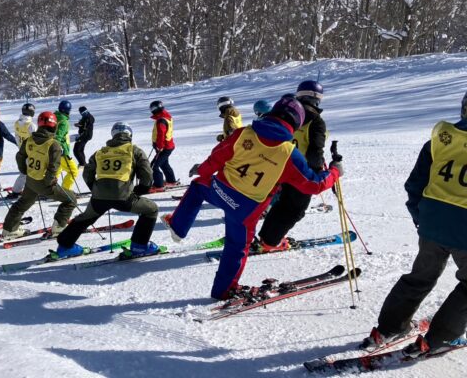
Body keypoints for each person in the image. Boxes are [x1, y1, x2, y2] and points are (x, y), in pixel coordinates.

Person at [162, 95, 342, 300]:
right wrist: (335, 172)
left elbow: (216, 157)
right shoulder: (289, 153)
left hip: (219, 190)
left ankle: (177, 226)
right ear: (296, 124)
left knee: (197, 186)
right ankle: (224, 290)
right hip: (245, 209)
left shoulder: (243, 133)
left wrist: (202, 170)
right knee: (236, 248)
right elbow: (314, 184)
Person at [359, 91, 467, 358]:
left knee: (420, 276)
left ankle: (387, 328)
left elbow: (415, 183)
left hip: (432, 221)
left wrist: (422, 218)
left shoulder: (443, 139)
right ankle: (440, 338)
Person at [54, 122, 159, 259]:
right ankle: (139, 247)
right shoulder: (134, 150)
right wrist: (141, 189)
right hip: (124, 198)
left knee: (85, 218)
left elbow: (87, 173)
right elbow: (147, 175)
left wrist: (95, 188)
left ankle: (64, 246)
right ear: (130, 135)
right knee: (151, 210)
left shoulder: (100, 152)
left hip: (99, 198)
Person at [256, 80, 327, 251]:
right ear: (317, 99)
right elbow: (315, 151)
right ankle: (270, 242)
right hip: (301, 171)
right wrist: (318, 171)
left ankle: (267, 236)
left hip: (279, 166)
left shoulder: (289, 113)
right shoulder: (316, 121)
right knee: (295, 209)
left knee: (282, 204)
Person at [0, 111, 78, 240]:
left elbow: (20, 156)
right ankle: (59, 228)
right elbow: (53, 167)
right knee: (71, 200)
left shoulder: (29, 140)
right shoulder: (54, 145)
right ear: (54, 126)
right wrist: (49, 181)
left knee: (22, 204)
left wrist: (24, 170)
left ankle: (9, 230)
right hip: (44, 183)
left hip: (31, 180)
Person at [9, 102, 36, 200]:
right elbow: (36, 140)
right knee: (33, 172)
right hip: (31, 152)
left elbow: (16, 137)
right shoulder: (31, 125)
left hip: (21, 150)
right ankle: (38, 191)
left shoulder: (17, 123)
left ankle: (17, 190)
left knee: (24, 172)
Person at [150, 100, 177, 188]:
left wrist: (159, 146)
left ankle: (158, 185)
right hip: (168, 146)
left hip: (164, 147)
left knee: (154, 166)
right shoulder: (165, 117)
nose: (152, 110)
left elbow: (161, 134)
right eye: (151, 108)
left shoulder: (161, 120)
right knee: (164, 164)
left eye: (153, 108)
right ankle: (171, 181)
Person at [55, 100, 81, 191]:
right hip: (61, 151)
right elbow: (58, 136)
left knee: (57, 171)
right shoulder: (63, 122)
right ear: (67, 110)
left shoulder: (54, 117)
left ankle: (49, 190)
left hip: (53, 151)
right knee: (73, 171)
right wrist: (59, 148)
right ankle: (65, 191)